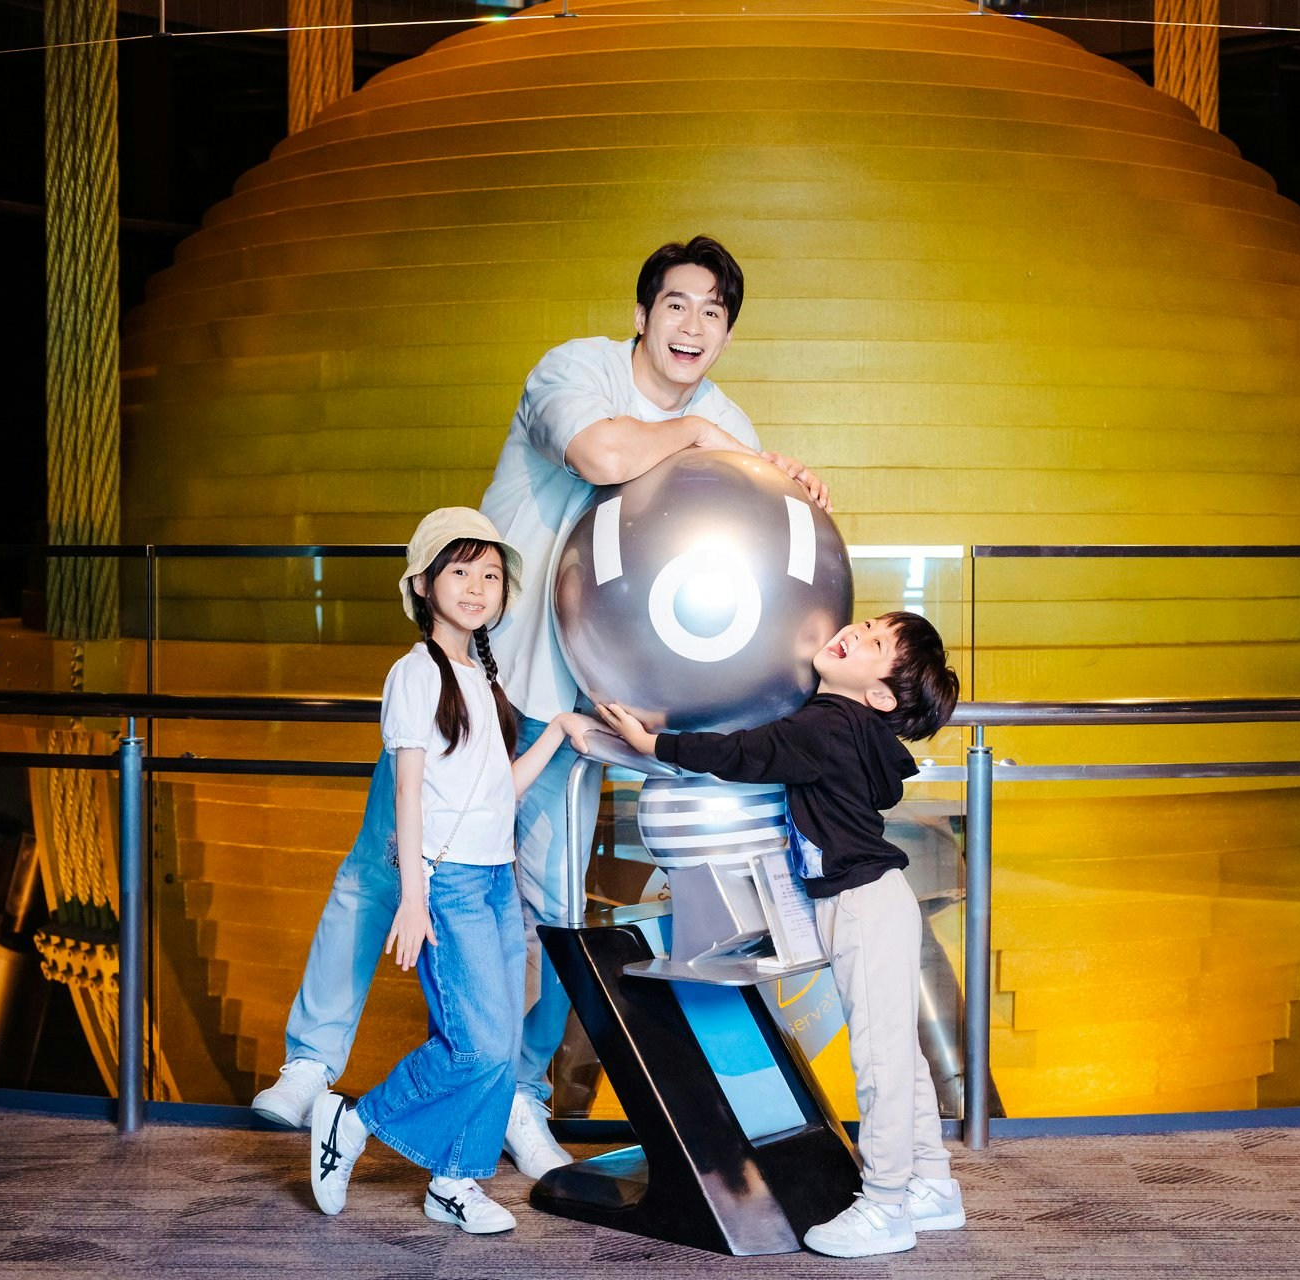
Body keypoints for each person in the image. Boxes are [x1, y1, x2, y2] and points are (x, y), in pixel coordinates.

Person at [252, 234, 831, 1174]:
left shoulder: (723, 413)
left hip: (580, 711)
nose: (693, 326)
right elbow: (602, 453)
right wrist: (695, 438)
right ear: (642, 313)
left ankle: (520, 1095)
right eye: (677, 304)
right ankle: (311, 1062)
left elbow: (749, 531)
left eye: (713, 312)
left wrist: (788, 487)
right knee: (384, 863)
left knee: (551, 908)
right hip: (480, 677)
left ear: (727, 332)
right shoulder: (577, 369)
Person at [590, 611, 964, 1259]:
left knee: (882, 1063)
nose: (855, 632)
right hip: (871, 902)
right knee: (896, 1053)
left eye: (874, 643)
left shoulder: (828, 724)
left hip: (863, 906)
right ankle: (932, 1183)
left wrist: (656, 746)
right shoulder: (850, 728)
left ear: (879, 696)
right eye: (867, 623)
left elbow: (744, 752)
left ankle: (886, 1205)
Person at [293, 507, 587, 1233]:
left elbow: (499, 792)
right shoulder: (415, 674)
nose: (478, 587)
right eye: (460, 571)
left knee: (501, 1045)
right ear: (423, 585)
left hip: (494, 880)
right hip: (447, 883)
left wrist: (557, 730)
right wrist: (414, 897)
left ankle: (454, 1182)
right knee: (478, 1043)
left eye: (490, 574)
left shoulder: (479, 678)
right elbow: (407, 794)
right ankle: (355, 1122)